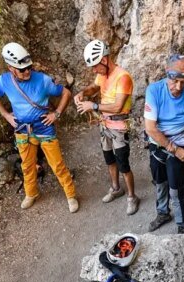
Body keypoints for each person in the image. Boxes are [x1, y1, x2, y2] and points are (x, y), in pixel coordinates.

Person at [0, 42, 79, 212]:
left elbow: (65, 92)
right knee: (27, 165)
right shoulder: (4, 81)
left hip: (43, 127)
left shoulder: (42, 79)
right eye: (22, 69)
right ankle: (31, 193)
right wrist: (6, 115)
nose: (27, 71)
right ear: (10, 68)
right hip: (22, 129)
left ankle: (70, 195)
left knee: (57, 164)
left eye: (29, 67)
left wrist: (56, 114)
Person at [74, 40, 140, 215]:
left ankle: (132, 196)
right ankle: (116, 188)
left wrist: (93, 106)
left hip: (118, 127)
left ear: (104, 59)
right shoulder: (102, 74)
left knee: (123, 164)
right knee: (109, 160)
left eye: (95, 66)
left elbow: (118, 106)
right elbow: (95, 87)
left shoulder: (123, 77)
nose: (94, 70)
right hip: (105, 125)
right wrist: (83, 93)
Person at [144, 54, 184, 235]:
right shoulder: (154, 91)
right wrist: (174, 149)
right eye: (174, 81)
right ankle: (163, 213)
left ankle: (183, 225)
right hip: (159, 143)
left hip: (181, 140)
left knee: (176, 187)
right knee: (160, 181)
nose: (178, 87)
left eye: (183, 81)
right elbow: (151, 129)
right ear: (166, 74)